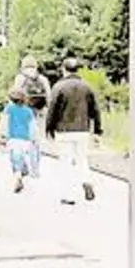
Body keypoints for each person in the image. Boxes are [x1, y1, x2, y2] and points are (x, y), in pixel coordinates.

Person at [44, 56, 101, 205]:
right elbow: (95, 110)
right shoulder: (87, 87)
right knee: (82, 159)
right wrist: (97, 130)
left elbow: (52, 110)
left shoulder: (58, 87)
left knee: (66, 162)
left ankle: (68, 195)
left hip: (63, 131)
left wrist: (48, 128)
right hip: (82, 129)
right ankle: (87, 181)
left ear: (64, 69)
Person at [0, 88, 38, 194]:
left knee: (15, 159)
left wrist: (3, 135)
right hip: (25, 139)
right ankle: (22, 172)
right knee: (21, 157)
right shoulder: (28, 111)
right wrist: (34, 138)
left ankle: (18, 177)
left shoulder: (9, 109)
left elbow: (4, 122)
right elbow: (33, 126)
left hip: (12, 138)